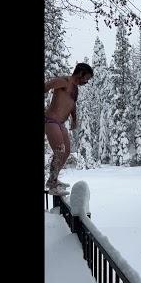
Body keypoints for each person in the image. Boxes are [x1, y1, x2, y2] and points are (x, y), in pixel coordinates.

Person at [44, 62, 93, 195]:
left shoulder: (75, 89)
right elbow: (47, 85)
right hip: (51, 121)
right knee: (59, 150)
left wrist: (75, 119)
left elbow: (72, 105)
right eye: (86, 78)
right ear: (81, 73)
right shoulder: (64, 81)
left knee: (66, 152)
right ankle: (53, 185)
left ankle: (53, 179)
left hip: (61, 124)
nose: (87, 81)